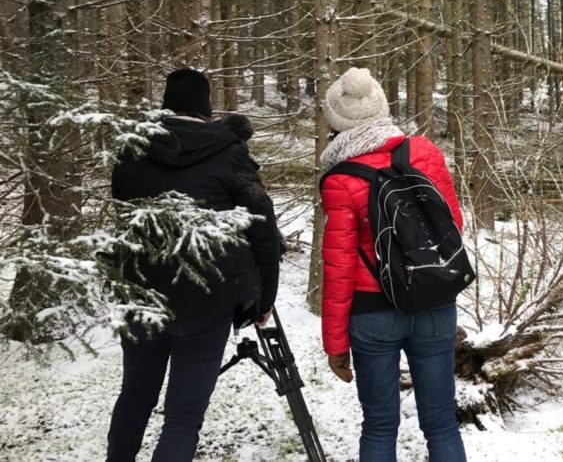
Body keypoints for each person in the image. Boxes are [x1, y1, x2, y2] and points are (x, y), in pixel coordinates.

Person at [106, 68, 282, 462]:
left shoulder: (134, 149)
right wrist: (263, 298)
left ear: (166, 104)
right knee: (183, 417)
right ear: (205, 109)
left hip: (142, 292)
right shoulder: (229, 152)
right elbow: (263, 231)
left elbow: (122, 211)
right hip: (209, 296)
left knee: (135, 396)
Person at [319, 67, 467, 462]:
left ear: (335, 120)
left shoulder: (338, 179)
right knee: (441, 422)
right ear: (382, 107)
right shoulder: (424, 152)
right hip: (433, 298)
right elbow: (453, 224)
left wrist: (335, 345)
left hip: (373, 314)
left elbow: (338, 268)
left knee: (380, 425)